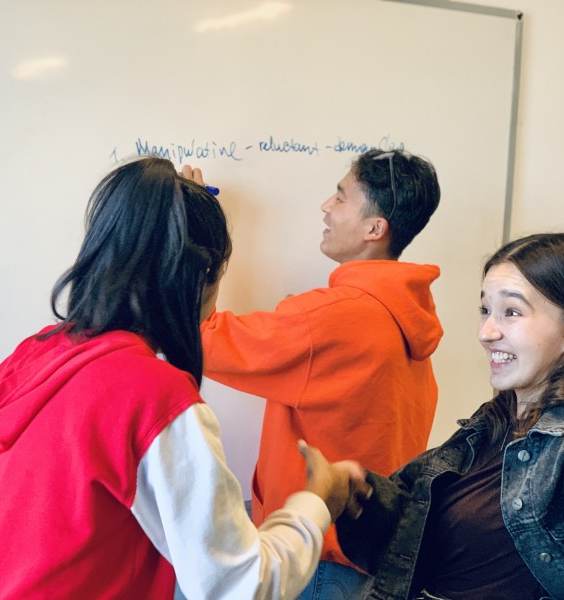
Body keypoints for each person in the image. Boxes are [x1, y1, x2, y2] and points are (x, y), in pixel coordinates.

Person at [0, 156, 371, 600]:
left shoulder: (30, 358)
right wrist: (317, 501)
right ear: (203, 278)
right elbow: (240, 585)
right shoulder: (153, 396)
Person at [184, 148, 443, 599]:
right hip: (367, 557)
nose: (326, 206)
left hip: (316, 561)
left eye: (341, 197)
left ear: (375, 229)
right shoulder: (408, 321)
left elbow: (197, 335)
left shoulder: (332, 318)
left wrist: (195, 226)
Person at [336, 232, 564, 600]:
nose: (487, 333)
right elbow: (416, 547)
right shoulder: (494, 422)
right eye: (485, 310)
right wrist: (359, 496)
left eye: (512, 312)